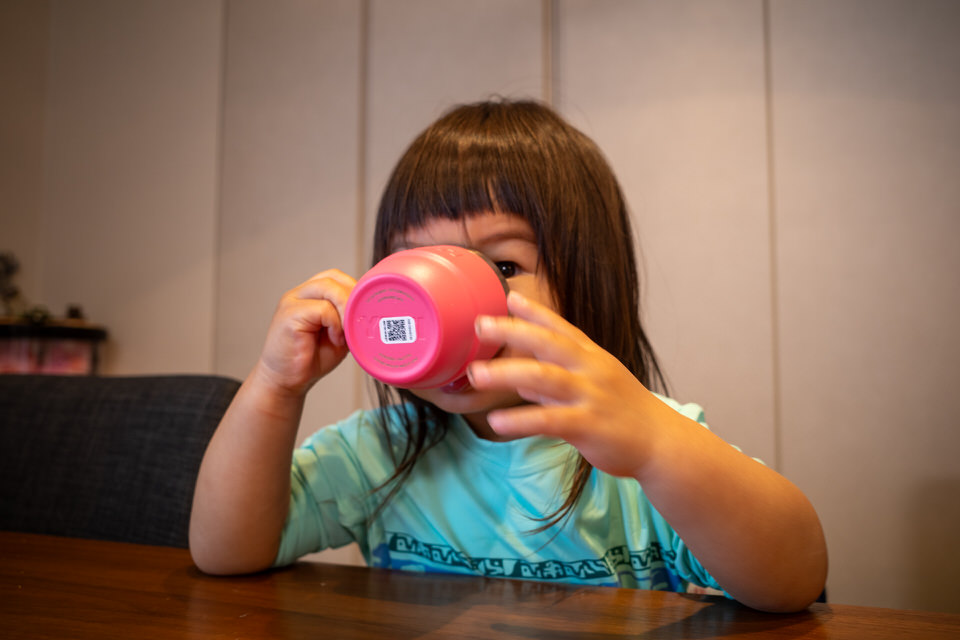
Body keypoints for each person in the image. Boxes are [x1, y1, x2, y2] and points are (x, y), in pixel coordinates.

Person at [189, 99, 828, 612]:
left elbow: (794, 581)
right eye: (417, 264)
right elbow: (226, 553)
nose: (440, 304)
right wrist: (275, 386)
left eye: (502, 266)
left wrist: (657, 449)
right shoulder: (379, 452)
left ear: (588, 282)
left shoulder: (642, 445)